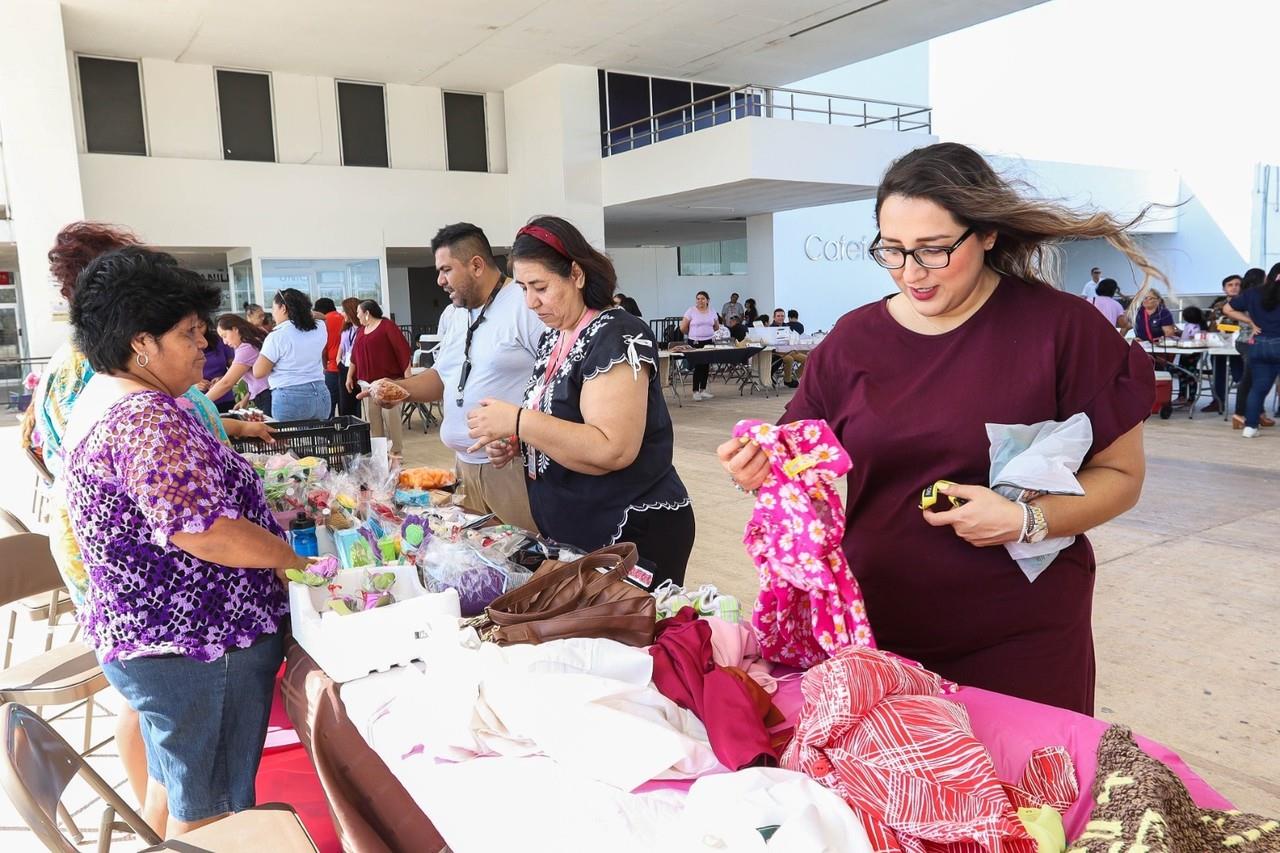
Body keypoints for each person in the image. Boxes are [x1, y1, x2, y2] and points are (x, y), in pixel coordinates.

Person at [718, 142, 1156, 714]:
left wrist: (1027, 519)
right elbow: (791, 455)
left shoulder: (1061, 330)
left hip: (1021, 639)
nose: (911, 273)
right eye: (893, 252)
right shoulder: (853, 341)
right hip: (878, 630)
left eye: (933, 250)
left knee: (1026, 797)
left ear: (988, 234)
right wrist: (754, 464)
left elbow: (1121, 476)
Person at [25, 223, 274, 825]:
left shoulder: (120, 393)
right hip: (190, 646)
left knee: (181, 783)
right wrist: (294, 561)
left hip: (161, 639)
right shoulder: (142, 417)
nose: (204, 347)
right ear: (142, 342)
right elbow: (204, 531)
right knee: (210, 809)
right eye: (189, 334)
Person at [466, 215, 693, 585]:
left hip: (630, 530)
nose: (530, 302)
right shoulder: (553, 339)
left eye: (539, 286)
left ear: (576, 274)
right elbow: (567, 426)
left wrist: (520, 421)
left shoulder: (617, 333)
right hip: (577, 529)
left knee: (628, 639)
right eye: (522, 288)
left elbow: (612, 447)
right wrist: (520, 443)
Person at [361, 223, 542, 531]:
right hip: (464, 466)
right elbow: (442, 379)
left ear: (476, 265)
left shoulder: (522, 306)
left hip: (509, 467)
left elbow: (554, 379)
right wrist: (399, 388)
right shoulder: (456, 314)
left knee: (528, 560)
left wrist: (520, 435)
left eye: (446, 269)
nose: (439, 280)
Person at [347, 299, 412, 457]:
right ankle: (380, 454)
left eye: (358, 312)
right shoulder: (361, 331)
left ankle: (396, 451)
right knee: (373, 419)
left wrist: (408, 379)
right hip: (367, 385)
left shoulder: (386, 326)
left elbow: (402, 350)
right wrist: (350, 376)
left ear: (367, 313)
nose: (357, 315)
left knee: (391, 418)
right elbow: (354, 356)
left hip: (387, 382)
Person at [254, 288, 330, 421]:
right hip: (320, 393)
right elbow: (321, 316)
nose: (273, 314)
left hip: (290, 396)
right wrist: (302, 312)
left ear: (283, 308)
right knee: (319, 439)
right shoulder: (319, 328)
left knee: (291, 440)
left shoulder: (277, 336)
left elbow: (258, 372)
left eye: (273, 308)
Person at [1223, 262, 1280, 437]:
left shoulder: (1252, 293)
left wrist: (1250, 322)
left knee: (1258, 388)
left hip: (1258, 344)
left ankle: (1250, 427)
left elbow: (1227, 308)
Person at [208, 314, 272, 414]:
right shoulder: (252, 341)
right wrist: (245, 399)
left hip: (267, 396)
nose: (224, 342)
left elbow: (227, 383)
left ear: (235, 329)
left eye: (225, 336)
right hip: (268, 393)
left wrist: (202, 401)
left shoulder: (246, 348)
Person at [1204, 274, 1244, 413]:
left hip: (1239, 346)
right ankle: (1218, 401)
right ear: (1224, 288)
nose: (1234, 287)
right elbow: (1212, 325)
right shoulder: (1218, 305)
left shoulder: (1247, 303)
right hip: (1220, 344)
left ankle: (1243, 403)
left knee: (1240, 374)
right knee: (1217, 370)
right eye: (1230, 285)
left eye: (1237, 284)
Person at [680, 290, 720, 401]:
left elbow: (716, 326)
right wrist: (693, 333)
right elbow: (683, 327)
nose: (700, 301)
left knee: (706, 365)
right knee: (698, 366)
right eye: (698, 299)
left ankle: (703, 389)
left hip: (708, 341)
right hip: (695, 342)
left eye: (702, 298)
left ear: (707, 300)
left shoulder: (712, 311)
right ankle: (695, 391)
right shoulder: (691, 311)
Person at [315, 297, 345, 417]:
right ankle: (349, 432)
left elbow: (323, 349)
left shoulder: (324, 322)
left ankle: (331, 433)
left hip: (331, 367)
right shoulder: (345, 318)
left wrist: (324, 366)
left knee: (330, 405)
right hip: (348, 368)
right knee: (346, 404)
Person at [196, 327, 238, 412]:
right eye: (193, 327)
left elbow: (236, 368)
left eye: (201, 326)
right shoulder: (181, 345)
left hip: (224, 398)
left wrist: (224, 378)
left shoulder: (220, 341)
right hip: (197, 400)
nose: (198, 331)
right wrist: (193, 386)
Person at [334, 298, 362, 417]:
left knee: (358, 402)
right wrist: (338, 360)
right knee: (345, 404)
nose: (341, 313)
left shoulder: (363, 329)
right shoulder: (346, 328)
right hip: (344, 367)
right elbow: (341, 345)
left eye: (344, 310)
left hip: (358, 369)